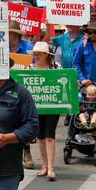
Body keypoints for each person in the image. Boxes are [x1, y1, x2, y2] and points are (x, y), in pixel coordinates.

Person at [29, 42, 60, 181]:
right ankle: (44, 166)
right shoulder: (29, 68)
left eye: (39, 54)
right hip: (35, 106)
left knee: (49, 136)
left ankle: (51, 168)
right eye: (35, 55)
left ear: (46, 55)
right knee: (40, 136)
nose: (36, 57)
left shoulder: (56, 67)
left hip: (52, 104)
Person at [8, 20, 35, 169]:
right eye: (8, 33)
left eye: (11, 33)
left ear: (17, 35)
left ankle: (27, 150)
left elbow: (34, 66)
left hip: (24, 89)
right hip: (7, 88)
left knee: (24, 120)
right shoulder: (3, 48)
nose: (9, 35)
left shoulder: (28, 48)